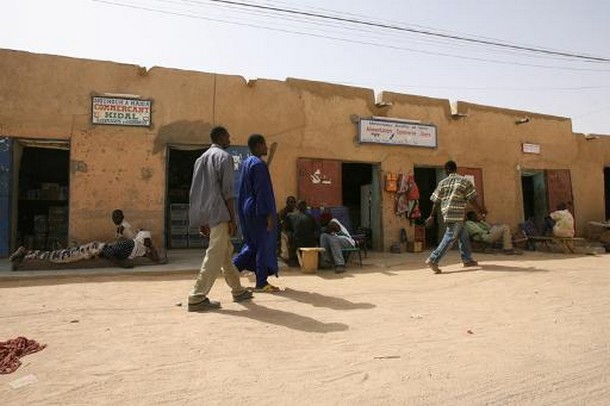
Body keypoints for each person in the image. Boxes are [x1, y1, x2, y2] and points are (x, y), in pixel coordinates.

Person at [187, 126, 253, 312]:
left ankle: (238, 290)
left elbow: (197, 192)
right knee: (215, 252)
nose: (230, 138)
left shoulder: (200, 159)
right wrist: (232, 218)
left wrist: (202, 219)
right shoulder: (224, 157)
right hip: (219, 212)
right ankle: (197, 296)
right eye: (228, 135)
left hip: (207, 212)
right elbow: (227, 192)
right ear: (221, 137)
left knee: (224, 252)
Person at [233, 134, 280, 292]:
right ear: (259, 145)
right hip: (258, 211)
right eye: (264, 145)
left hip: (248, 210)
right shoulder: (259, 165)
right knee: (262, 246)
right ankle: (261, 282)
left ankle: (233, 268)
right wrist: (268, 215)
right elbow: (263, 192)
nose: (266, 148)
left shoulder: (247, 163)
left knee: (252, 245)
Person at [425, 160, 485, 274]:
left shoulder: (442, 183)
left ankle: (467, 259)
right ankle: (433, 259)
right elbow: (472, 199)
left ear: (447, 170)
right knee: (450, 237)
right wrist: (480, 210)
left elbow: (436, 201)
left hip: (447, 212)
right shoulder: (464, 181)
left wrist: (432, 216)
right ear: (455, 169)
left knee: (464, 235)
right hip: (457, 213)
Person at [9, 230, 160, 271]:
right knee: (59, 257)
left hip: (95, 249)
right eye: (148, 240)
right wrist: (122, 264)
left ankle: (27, 253)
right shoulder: (131, 245)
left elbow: (156, 259)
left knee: (60, 255)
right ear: (143, 239)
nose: (149, 242)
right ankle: (27, 252)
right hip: (94, 249)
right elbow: (108, 252)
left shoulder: (139, 248)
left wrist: (151, 247)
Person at [285, 200, 318, 266]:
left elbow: (286, 228)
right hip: (307, 241)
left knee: (286, 236)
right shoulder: (311, 216)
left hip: (299, 241)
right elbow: (316, 229)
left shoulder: (291, 215)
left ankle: (291, 259)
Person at [278, 196, 297, 261]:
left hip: (296, 231)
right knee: (283, 235)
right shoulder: (283, 212)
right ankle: (285, 255)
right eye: (291, 202)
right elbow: (281, 224)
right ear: (287, 203)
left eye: (294, 202)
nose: (293, 204)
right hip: (287, 230)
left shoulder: (297, 212)